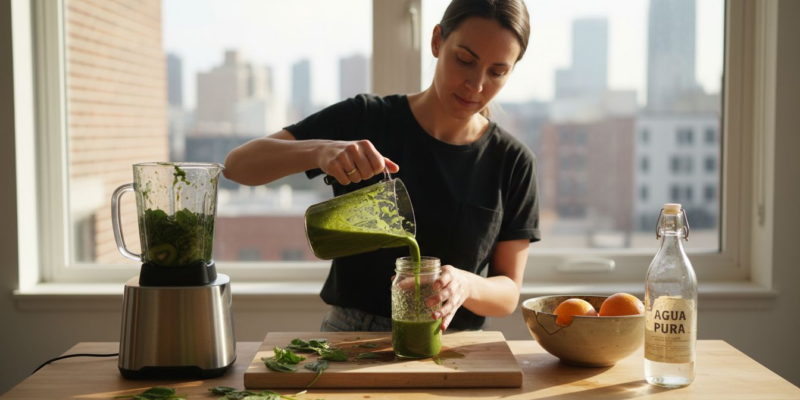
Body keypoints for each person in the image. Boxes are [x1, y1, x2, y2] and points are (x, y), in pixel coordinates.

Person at [223, 0, 539, 332]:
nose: (475, 85)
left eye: (497, 72)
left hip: (454, 345)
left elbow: (508, 292)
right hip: (350, 336)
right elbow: (237, 167)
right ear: (436, 42)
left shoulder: (513, 162)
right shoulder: (367, 118)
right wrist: (320, 151)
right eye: (464, 60)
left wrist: (466, 284)